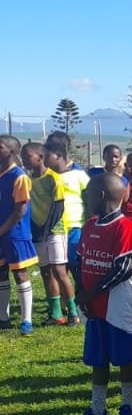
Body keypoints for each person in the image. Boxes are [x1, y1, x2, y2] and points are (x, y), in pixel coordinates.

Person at [74, 173, 132, 415]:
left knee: (124, 358)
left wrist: (90, 293)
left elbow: (123, 268)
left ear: (101, 195)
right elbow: (80, 260)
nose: (86, 197)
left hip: (115, 306)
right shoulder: (90, 225)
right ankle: (98, 410)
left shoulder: (124, 227)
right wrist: (80, 291)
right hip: (92, 306)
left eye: (89, 193)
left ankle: (126, 406)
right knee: (98, 358)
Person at [27, 142, 76, 325]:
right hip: (38, 232)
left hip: (55, 230)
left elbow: (58, 207)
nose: (24, 160)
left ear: (40, 157)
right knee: (46, 272)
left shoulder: (53, 178)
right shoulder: (28, 180)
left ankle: (73, 312)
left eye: (27, 156)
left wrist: (46, 229)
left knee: (59, 270)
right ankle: (56, 314)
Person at [0, 136, 38, 334]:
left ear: (11, 152)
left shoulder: (19, 176)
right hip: (2, 233)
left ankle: (26, 320)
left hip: (15, 233)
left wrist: (2, 230)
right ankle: (3, 317)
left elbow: (20, 210)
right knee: (1, 273)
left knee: (19, 273)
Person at [43, 132, 89, 294]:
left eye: (46, 156)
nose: (44, 159)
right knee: (58, 268)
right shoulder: (48, 177)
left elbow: (90, 199)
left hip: (75, 228)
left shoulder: (78, 175)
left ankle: (84, 297)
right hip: (55, 229)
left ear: (58, 155)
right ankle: (64, 303)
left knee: (77, 265)